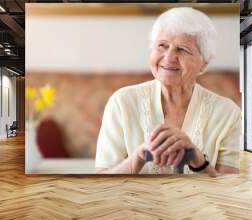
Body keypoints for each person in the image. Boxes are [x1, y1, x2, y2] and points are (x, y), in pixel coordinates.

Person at [95, 7, 241, 175]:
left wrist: (198, 161)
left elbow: (230, 190)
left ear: (204, 63)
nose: (169, 57)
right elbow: (101, 180)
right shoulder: (122, 102)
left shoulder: (228, 114)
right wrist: (138, 157)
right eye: (162, 45)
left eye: (182, 49)